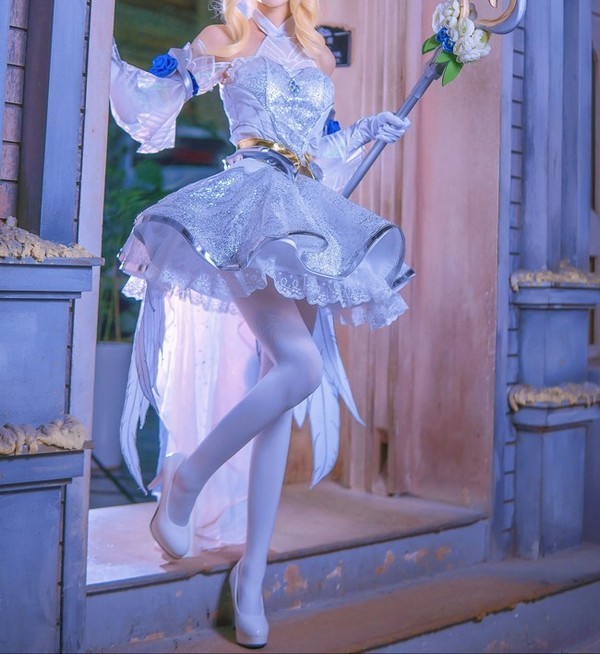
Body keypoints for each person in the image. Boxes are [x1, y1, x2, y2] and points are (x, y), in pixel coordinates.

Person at [110, 0, 412, 647]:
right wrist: (114, 66)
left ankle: (253, 575)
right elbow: (153, 100)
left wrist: (364, 132)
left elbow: (317, 152)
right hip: (248, 204)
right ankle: (188, 482)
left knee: (282, 389)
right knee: (300, 367)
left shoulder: (317, 52)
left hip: (306, 212)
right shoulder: (225, 36)